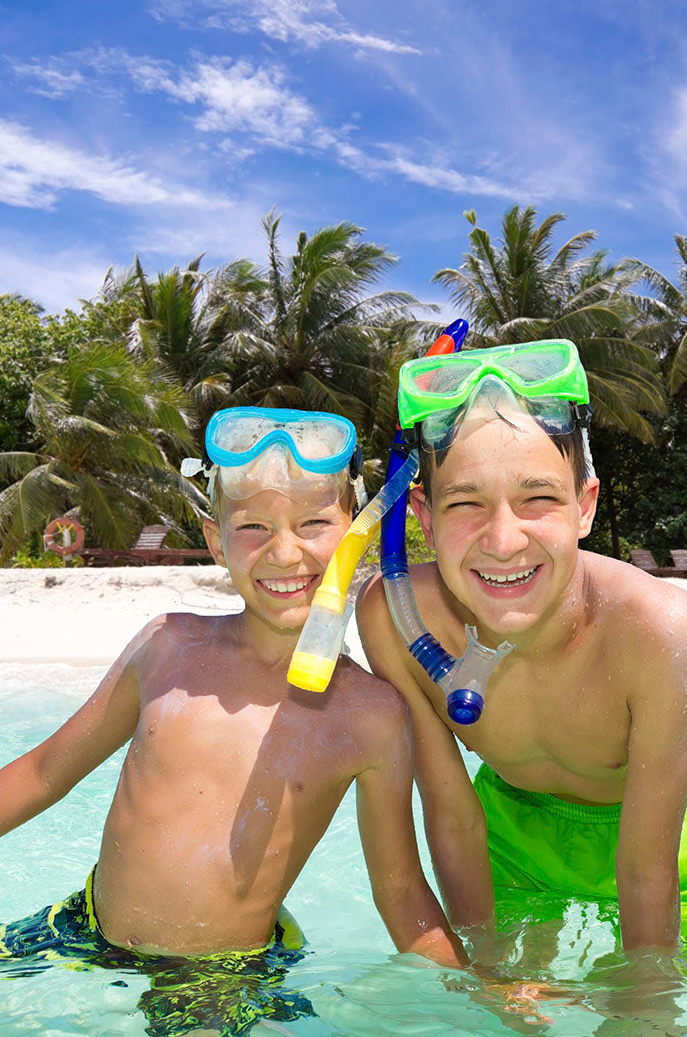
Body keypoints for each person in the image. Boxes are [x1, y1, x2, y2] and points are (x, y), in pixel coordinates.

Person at [0, 407, 465, 1036]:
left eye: (313, 523)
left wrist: (476, 995)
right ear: (217, 540)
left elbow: (402, 893)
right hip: (83, 922)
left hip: (219, 977)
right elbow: (44, 771)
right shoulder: (168, 647)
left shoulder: (370, 716)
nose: (285, 551)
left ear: (354, 533)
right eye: (253, 527)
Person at [357, 340, 687, 956]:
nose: (503, 541)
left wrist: (641, 1006)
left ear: (584, 505)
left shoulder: (659, 634)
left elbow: (646, 872)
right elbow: (451, 816)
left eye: (539, 499)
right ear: (422, 516)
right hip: (511, 822)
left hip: (652, 828)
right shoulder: (394, 618)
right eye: (466, 503)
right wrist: (486, 970)